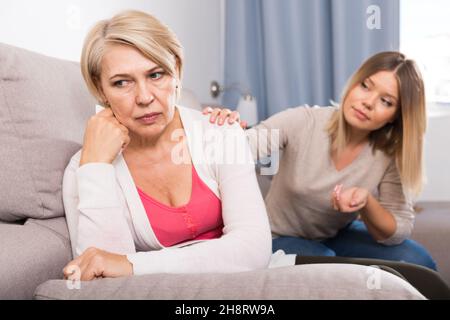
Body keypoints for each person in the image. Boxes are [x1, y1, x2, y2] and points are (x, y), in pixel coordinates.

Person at [62, 10, 273, 282]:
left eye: (156, 74)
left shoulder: (220, 133)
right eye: (121, 82)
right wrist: (95, 167)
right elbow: (105, 281)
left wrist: (134, 265)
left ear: (176, 71)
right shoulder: (84, 169)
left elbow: (253, 251)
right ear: (101, 90)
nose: (145, 97)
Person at [204, 51, 437, 271]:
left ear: (396, 116)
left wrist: (366, 202)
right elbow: (244, 148)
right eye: (365, 86)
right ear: (354, 83)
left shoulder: (389, 154)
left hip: (336, 235)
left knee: (418, 261)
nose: (368, 102)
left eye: (386, 101)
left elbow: (398, 229)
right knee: (326, 265)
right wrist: (222, 131)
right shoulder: (305, 122)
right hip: (277, 237)